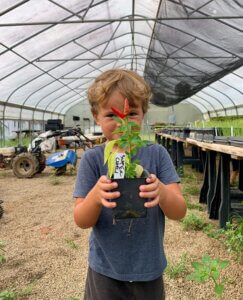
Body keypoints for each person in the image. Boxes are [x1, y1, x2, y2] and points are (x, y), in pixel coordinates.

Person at [73, 69, 187, 300]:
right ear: (96, 116)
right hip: (105, 270)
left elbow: (180, 211)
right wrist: (95, 197)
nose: (122, 122)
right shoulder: (93, 160)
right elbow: (81, 220)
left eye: (131, 113)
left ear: (143, 114)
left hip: (149, 268)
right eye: (111, 115)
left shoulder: (157, 155)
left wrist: (162, 193)